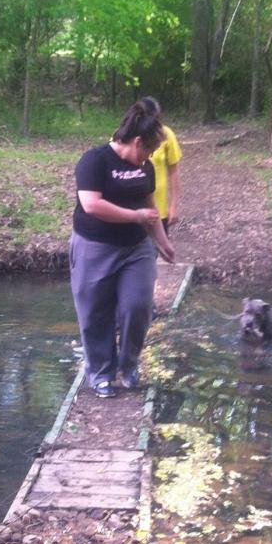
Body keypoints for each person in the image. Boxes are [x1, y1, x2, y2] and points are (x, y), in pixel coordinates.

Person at [70, 102, 175, 398]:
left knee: (137, 307)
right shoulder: (94, 161)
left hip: (135, 248)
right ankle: (101, 372)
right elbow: (92, 205)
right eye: (148, 150)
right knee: (95, 313)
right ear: (136, 141)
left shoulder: (146, 168)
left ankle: (128, 366)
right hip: (94, 247)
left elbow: (149, 207)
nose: (150, 157)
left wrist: (162, 242)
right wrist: (135, 217)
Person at [139, 96, 182, 233]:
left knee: (160, 251)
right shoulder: (124, 135)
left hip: (158, 210)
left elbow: (173, 171)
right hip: (133, 209)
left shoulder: (165, 134)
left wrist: (173, 206)